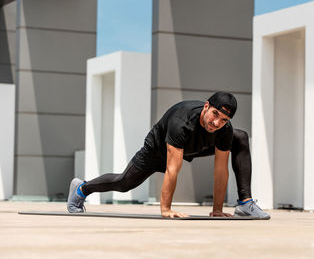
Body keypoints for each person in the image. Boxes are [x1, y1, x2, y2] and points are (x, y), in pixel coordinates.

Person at [67, 92, 270, 219]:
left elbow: (220, 171)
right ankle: (82, 189)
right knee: (124, 183)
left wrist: (217, 210)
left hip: (195, 146)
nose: (217, 123)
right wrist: (166, 209)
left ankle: (245, 203)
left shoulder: (223, 130)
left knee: (240, 137)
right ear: (207, 106)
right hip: (157, 151)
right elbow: (172, 169)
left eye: (223, 120)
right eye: (215, 114)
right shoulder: (181, 121)